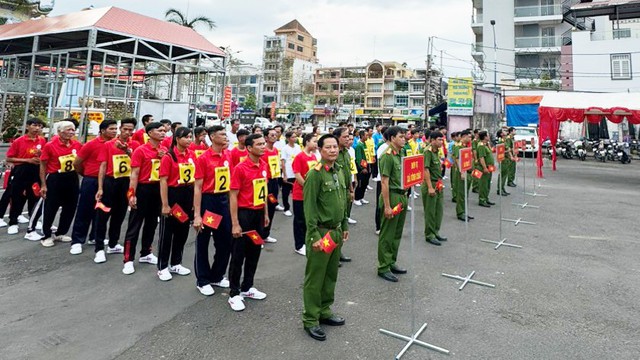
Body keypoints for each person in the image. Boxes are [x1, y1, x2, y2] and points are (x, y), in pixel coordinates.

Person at [302, 134, 349, 341]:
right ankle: (311, 318)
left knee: (330, 275)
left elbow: (343, 201)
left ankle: (325, 310)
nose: (333, 150)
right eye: (328, 147)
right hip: (321, 233)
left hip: (336, 231)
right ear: (320, 150)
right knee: (316, 278)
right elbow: (309, 208)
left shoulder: (339, 171)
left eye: (335, 147)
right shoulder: (315, 174)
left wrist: (344, 224)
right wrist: (313, 236)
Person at [228, 133, 269, 311]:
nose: (263, 146)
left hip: (258, 214)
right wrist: (235, 222)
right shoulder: (240, 168)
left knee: (255, 252)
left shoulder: (264, 165)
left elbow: (263, 192)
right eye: (259, 144)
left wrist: (266, 213)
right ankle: (234, 293)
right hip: (244, 214)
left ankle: (247, 287)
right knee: (238, 254)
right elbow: (233, 196)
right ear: (249, 148)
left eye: (264, 143)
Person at [122, 122, 167, 275]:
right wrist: (131, 194)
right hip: (143, 189)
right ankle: (128, 259)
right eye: (159, 130)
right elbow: (134, 174)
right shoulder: (140, 151)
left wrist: (164, 158)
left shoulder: (164, 150)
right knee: (135, 225)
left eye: (164, 131)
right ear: (149, 133)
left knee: (152, 223)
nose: (163, 133)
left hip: (157, 189)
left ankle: (146, 252)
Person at [192, 125, 233, 296]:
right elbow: (198, 187)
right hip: (209, 203)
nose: (225, 137)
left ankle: (217, 275)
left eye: (225, 134)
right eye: (222, 134)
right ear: (212, 136)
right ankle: (202, 280)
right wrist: (197, 214)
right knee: (203, 241)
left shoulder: (228, 156)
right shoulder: (203, 158)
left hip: (224, 201)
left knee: (225, 241)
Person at [94, 118, 140, 263]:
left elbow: (138, 163)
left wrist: (127, 151)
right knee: (103, 215)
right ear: (120, 129)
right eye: (125, 129)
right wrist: (100, 187)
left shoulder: (136, 145)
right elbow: (102, 166)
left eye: (130, 130)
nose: (127, 132)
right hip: (110, 181)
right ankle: (99, 248)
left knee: (119, 215)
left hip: (126, 182)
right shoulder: (108, 144)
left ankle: (113, 243)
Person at [69, 119, 117, 255]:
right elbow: (77, 162)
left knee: (102, 210)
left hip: (108, 181)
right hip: (91, 180)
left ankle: (95, 236)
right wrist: (86, 174)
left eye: (115, 129)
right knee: (85, 210)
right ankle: (77, 241)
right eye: (111, 129)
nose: (114, 131)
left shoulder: (116, 144)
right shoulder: (91, 144)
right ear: (102, 130)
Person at [157, 127, 194, 281]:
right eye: (186, 137)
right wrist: (165, 204)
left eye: (191, 137)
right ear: (177, 139)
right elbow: (163, 181)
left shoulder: (191, 155)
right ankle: (162, 266)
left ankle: (176, 262)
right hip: (173, 195)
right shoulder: (169, 156)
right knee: (167, 233)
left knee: (182, 231)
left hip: (187, 194)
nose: (189, 140)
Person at [39, 121, 83, 247]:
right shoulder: (50, 145)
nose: (71, 132)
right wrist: (43, 184)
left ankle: (61, 232)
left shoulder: (77, 145)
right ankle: (46, 235)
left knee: (70, 207)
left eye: (73, 130)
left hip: (72, 177)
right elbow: (43, 165)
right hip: (55, 178)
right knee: (50, 207)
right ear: (59, 132)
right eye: (68, 130)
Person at [5, 118, 46, 236]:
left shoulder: (42, 140)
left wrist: (40, 156)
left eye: (39, 126)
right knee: (17, 196)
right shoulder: (19, 141)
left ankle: (33, 219)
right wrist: (27, 160)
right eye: (34, 125)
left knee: (34, 195)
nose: (37, 128)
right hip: (21, 170)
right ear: (28, 126)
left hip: (36, 170)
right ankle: (13, 222)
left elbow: (44, 154)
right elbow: (9, 158)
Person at [377, 126, 408, 282]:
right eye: (401, 136)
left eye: (404, 136)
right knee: (387, 233)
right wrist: (387, 206)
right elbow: (384, 182)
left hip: (402, 196)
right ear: (391, 138)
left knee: (396, 233)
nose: (404, 138)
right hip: (393, 197)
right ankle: (383, 266)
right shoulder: (387, 156)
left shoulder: (401, 153)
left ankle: (391, 261)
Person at [291, 133, 318, 256]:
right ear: (307, 142)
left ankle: (307, 242)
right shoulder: (299, 157)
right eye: (314, 141)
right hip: (300, 194)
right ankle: (299, 245)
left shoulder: (313, 157)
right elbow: (297, 175)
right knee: (299, 220)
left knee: (309, 219)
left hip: (310, 194)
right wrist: (308, 188)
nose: (316, 144)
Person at [332, 127, 354, 263]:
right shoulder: (333, 153)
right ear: (337, 137)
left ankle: (339, 250)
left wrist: (351, 190)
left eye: (349, 137)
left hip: (346, 190)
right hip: (336, 192)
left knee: (344, 221)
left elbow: (348, 172)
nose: (348, 139)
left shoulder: (346, 153)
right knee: (335, 223)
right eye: (345, 137)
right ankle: (333, 253)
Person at [422, 131, 447, 246]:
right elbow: (425, 170)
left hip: (438, 184)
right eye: (439, 139)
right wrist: (430, 187)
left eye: (442, 140)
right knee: (430, 212)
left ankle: (436, 231)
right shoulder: (428, 152)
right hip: (431, 184)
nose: (441, 142)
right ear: (432, 140)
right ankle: (429, 234)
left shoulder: (437, 152)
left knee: (439, 210)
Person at [262, 128, 281, 243]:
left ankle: (266, 234)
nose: (275, 136)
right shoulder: (262, 151)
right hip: (265, 182)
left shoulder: (275, 150)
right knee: (264, 209)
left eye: (276, 135)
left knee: (272, 206)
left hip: (274, 181)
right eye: (272, 135)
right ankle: (259, 234)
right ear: (266, 138)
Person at [453, 130, 474, 222]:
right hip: (462, 172)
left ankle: (464, 211)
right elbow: (457, 160)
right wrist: (462, 172)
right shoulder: (458, 147)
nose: (470, 139)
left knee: (465, 193)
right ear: (464, 137)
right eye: (469, 137)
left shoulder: (465, 146)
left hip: (468, 171)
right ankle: (460, 212)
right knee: (461, 194)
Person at [279, 131, 300, 216]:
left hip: (296, 173)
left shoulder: (298, 147)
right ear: (288, 139)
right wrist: (284, 175)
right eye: (293, 137)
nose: (295, 138)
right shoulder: (285, 148)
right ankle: (286, 208)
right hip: (288, 173)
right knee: (285, 192)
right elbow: (283, 162)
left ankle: (296, 208)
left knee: (296, 192)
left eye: (295, 137)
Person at [374, 127, 389, 234]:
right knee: (380, 204)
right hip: (382, 180)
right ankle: (378, 226)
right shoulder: (382, 148)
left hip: (391, 181)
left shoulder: (397, 149)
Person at [476, 131, 495, 208]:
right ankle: (482, 199)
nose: (489, 137)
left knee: (487, 184)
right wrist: (484, 167)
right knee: (483, 185)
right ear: (484, 137)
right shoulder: (481, 146)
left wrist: (488, 143)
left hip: (489, 167)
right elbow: (481, 158)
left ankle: (486, 198)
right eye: (487, 136)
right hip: (484, 168)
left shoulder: (486, 145)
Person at [353, 129, 370, 206]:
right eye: (366, 135)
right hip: (362, 168)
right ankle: (356, 198)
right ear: (362, 136)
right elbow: (359, 158)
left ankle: (361, 197)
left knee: (365, 184)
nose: (367, 136)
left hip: (367, 165)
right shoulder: (359, 146)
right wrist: (362, 168)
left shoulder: (365, 144)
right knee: (360, 184)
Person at [496, 129, 510, 196]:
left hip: (506, 159)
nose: (506, 132)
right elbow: (500, 152)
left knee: (505, 175)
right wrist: (508, 151)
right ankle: (500, 189)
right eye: (504, 131)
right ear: (501, 134)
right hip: (503, 160)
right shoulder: (500, 142)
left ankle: (502, 188)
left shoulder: (504, 140)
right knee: (502, 175)